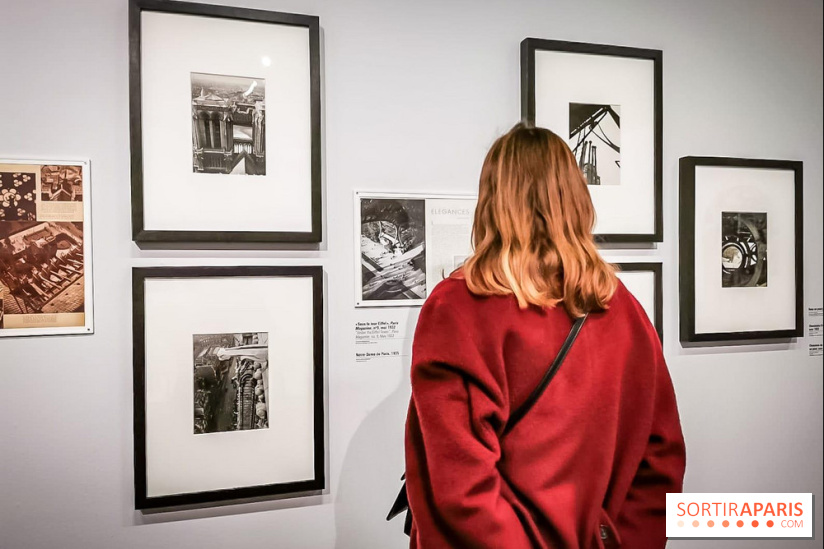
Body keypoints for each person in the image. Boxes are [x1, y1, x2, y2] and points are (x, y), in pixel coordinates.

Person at [404, 123, 686, 548]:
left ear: (492, 202)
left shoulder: (458, 309)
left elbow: (461, 490)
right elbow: (660, 460)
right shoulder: (621, 307)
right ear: (575, 200)